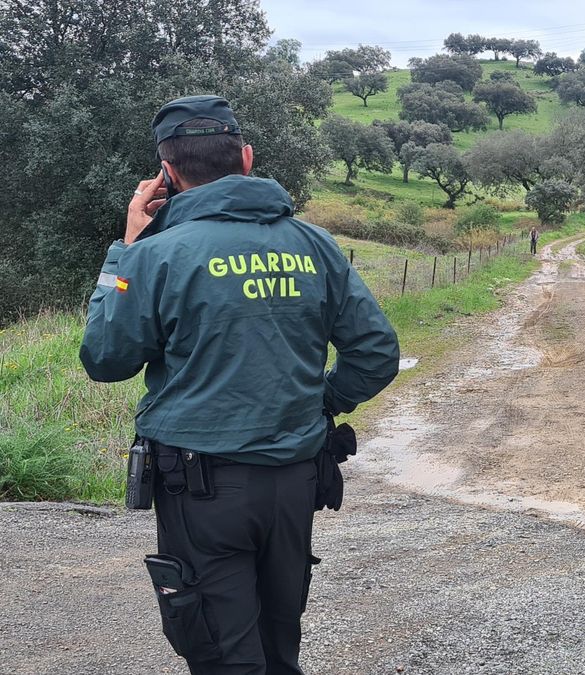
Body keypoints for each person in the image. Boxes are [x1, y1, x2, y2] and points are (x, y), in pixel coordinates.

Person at [79, 95, 400, 674]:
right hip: (295, 480)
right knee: (279, 643)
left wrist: (124, 250)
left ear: (168, 172)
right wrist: (319, 403)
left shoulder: (153, 256)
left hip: (201, 488)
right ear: (246, 159)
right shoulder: (315, 245)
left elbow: (105, 359)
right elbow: (376, 353)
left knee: (223, 652)